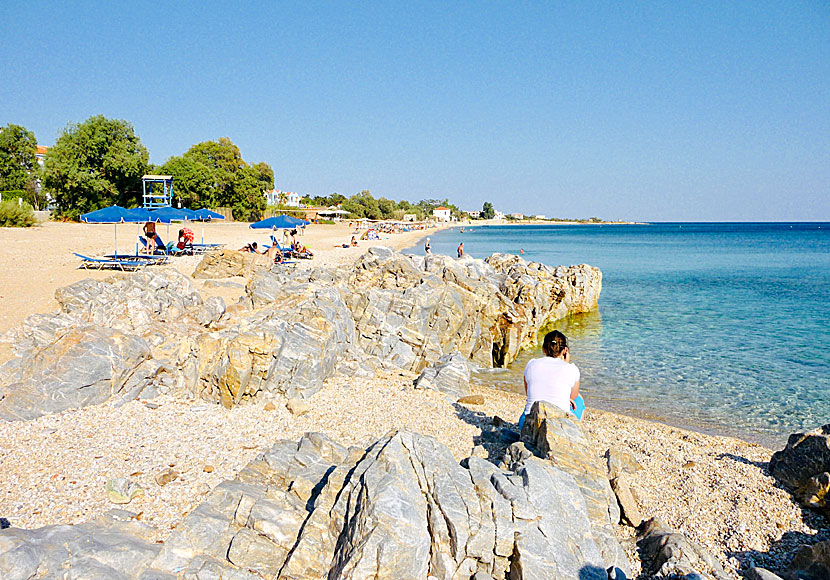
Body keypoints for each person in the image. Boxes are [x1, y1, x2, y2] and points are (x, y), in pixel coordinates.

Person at [519, 330, 584, 429]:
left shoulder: (531, 364)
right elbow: (573, 396)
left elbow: (529, 393)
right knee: (579, 399)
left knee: (530, 403)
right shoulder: (571, 369)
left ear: (543, 349)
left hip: (527, 424)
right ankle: (575, 434)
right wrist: (566, 362)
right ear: (564, 351)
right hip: (558, 426)